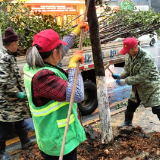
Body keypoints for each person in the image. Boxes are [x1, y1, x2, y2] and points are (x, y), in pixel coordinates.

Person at [23, 21, 89, 160]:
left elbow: (61, 48)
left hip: (51, 136)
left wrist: (75, 32)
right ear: (54, 53)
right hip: (59, 141)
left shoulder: (34, 65)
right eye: (59, 50)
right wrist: (72, 67)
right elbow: (77, 95)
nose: (62, 51)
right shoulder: (43, 77)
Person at [112, 37, 160, 127]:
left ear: (135, 47)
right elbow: (127, 70)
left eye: (128, 50)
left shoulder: (146, 57)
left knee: (157, 108)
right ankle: (127, 122)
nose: (126, 52)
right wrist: (120, 75)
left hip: (151, 86)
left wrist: (125, 81)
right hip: (137, 86)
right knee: (131, 105)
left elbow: (142, 77)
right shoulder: (129, 56)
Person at [0, 27, 32, 160]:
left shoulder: (9, 56)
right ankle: (1, 153)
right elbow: (3, 81)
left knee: (20, 119)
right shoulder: (4, 58)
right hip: (6, 101)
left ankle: (25, 141)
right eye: (17, 43)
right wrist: (17, 93)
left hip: (14, 98)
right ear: (13, 43)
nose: (18, 46)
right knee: (4, 128)